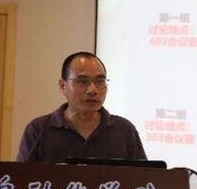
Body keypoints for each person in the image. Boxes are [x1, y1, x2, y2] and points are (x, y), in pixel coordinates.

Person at [16, 52, 147, 163]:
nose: (93, 90)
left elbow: (143, 179)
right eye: (83, 81)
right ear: (62, 86)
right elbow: (21, 179)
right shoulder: (38, 130)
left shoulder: (124, 130)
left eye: (100, 82)